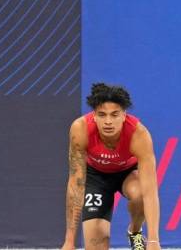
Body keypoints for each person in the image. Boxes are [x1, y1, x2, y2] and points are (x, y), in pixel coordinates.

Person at [61, 83, 160, 250]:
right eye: (102, 114)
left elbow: (150, 191)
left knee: (140, 194)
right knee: (96, 245)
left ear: (124, 115)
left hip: (127, 173)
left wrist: (153, 241)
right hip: (95, 177)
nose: (108, 121)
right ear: (94, 115)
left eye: (115, 115)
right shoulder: (80, 129)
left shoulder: (139, 135)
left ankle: (135, 232)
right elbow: (75, 185)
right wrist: (69, 241)